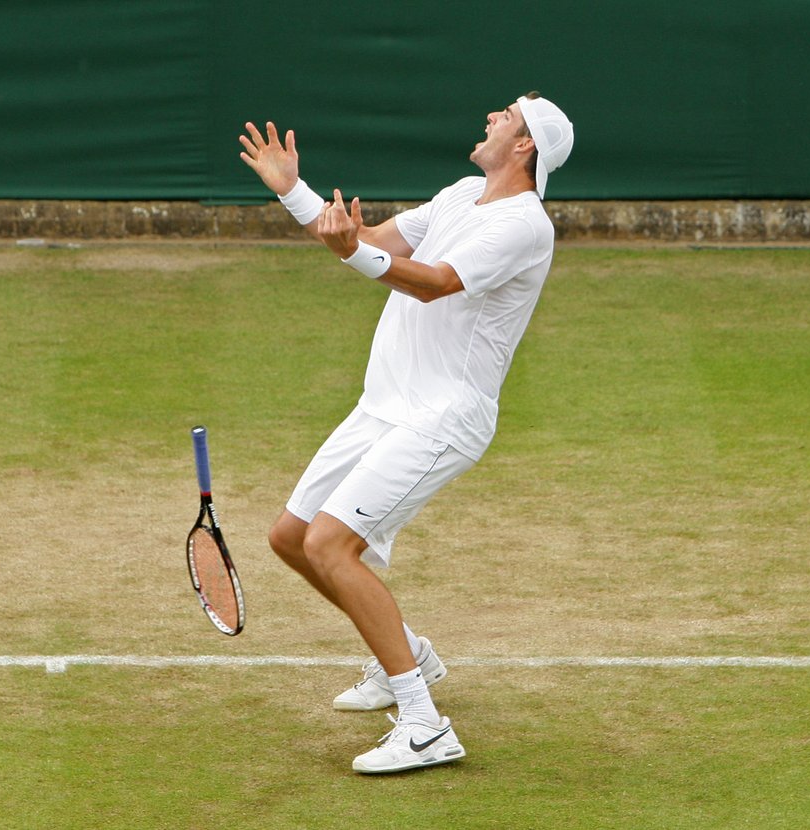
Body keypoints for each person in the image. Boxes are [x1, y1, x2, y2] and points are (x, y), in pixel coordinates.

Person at [238, 92, 573, 774]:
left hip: (441, 417)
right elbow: (367, 244)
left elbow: (433, 284)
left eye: (505, 116)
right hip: (384, 406)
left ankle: (423, 725)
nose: (490, 117)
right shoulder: (459, 195)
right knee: (290, 537)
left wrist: (352, 253)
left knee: (331, 545)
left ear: (524, 146)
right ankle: (411, 653)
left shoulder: (525, 226)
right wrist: (293, 192)